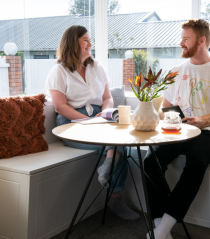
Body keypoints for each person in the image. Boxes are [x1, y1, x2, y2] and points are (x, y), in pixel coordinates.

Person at [144, 19, 210, 239]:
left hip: (207, 132)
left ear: (202, 40)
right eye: (182, 39)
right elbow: (164, 108)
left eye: (186, 39)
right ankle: (162, 229)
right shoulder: (175, 71)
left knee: (196, 162)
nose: (181, 43)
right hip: (176, 130)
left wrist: (204, 121)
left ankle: (161, 231)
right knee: (150, 162)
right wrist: (165, 118)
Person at [44, 25, 139, 220]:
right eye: (86, 40)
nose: (90, 44)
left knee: (123, 143)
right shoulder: (58, 71)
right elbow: (61, 107)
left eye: (89, 40)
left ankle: (111, 177)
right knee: (114, 145)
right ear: (73, 43)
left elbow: (107, 97)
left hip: (99, 116)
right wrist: (88, 121)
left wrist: (104, 112)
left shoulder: (97, 67)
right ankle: (115, 194)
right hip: (71, 123)